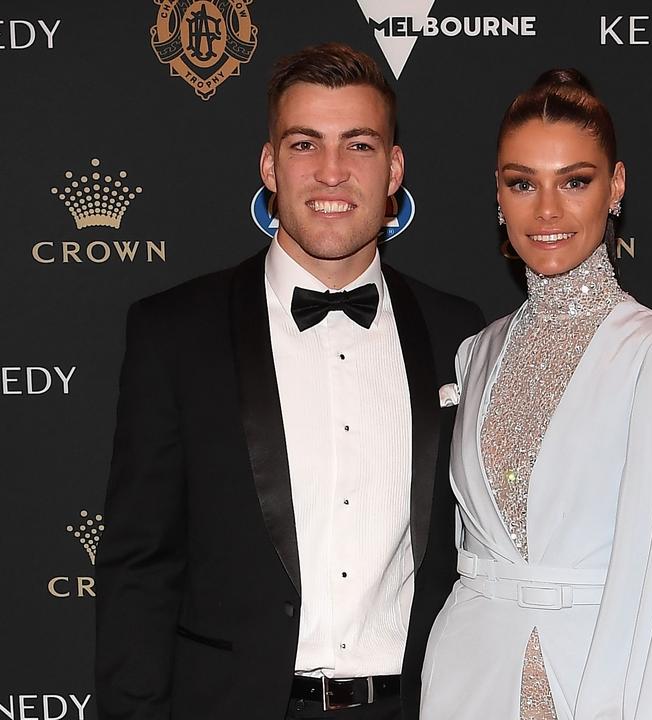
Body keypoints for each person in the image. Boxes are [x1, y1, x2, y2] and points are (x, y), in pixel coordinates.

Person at [94, 44, 483, 720]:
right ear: (270, 165)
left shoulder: (460, 334)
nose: (331, 172)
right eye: (305, 144)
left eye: (358, 146)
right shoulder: (173, 333)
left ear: (394, 170)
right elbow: (139, 568)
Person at [419, 69, 652, 719]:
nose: (547, 211)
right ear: (498, 195)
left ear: (615, 186)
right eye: (522, 183)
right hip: (469, 677)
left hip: (597, 679)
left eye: (575, 181)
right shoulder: (476, 353)